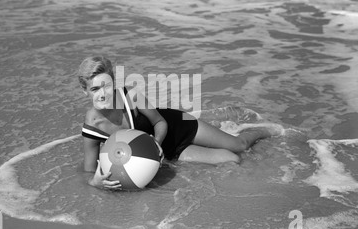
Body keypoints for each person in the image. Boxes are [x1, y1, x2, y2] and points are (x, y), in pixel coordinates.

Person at [78, 56, 283, 190]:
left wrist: (155, 143)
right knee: (232, 160)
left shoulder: (130, 96)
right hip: (167, 153)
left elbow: (159, 122)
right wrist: (96, 182)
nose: (103, 94)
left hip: (177, 126)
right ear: (85, 91)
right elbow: (89, 172)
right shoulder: (92, 125)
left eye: (106, 86)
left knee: (240, 146)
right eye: (95, 89)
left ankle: (264, 130)